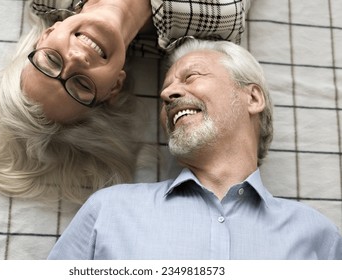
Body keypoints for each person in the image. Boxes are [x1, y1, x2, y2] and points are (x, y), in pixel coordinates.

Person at [47, 39, 342, 259]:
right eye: (165, 90)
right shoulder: (109, 210)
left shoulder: (318, 237)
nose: (167, 94)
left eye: (191, 77)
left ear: (252, 97)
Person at [0, 0, 251, 204]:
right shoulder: (217, 18)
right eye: (81, 84)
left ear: (47, 34)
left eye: (51, 60)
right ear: (114, 86)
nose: (76, 59)